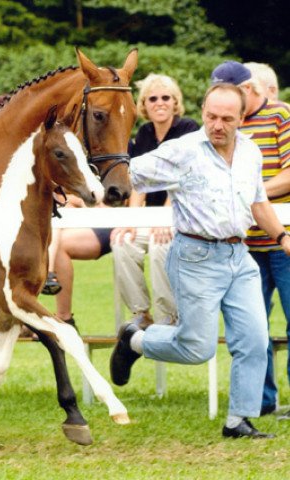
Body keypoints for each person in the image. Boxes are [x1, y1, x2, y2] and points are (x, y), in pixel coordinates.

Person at [110, 82, 290, 439]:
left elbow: (258, 203)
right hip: (195, 257)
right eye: (210, 116)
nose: (217, 125)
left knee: (255, 340)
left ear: (242, 118)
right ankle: (134, 340)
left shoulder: (251, 153)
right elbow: (126, 172)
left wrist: (282, 237)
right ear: (202, 112)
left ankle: (238, 420)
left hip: (240, 257)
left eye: (226, 118)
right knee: (197, 348)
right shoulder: (182, 150)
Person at [210, 61, 290, 417]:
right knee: (251, 329)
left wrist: (247, 193)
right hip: (244, 245)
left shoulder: (280, 116)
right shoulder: (226, 125)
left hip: (284, 240)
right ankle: (260, 401)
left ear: (248, 90)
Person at [111, 74, 199, 328]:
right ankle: (141, 314)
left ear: (175, 102)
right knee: (122, 241)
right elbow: (139, 182)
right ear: (144, 105)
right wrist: (131, 220)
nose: (159, 103)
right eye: (152, 99)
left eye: (165, 98)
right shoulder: (145, 133)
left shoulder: (188, 129)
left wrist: (164, 219)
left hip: (184, 214)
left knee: (162, 245)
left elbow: (182, 179)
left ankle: (170, 316)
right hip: (152, 217)